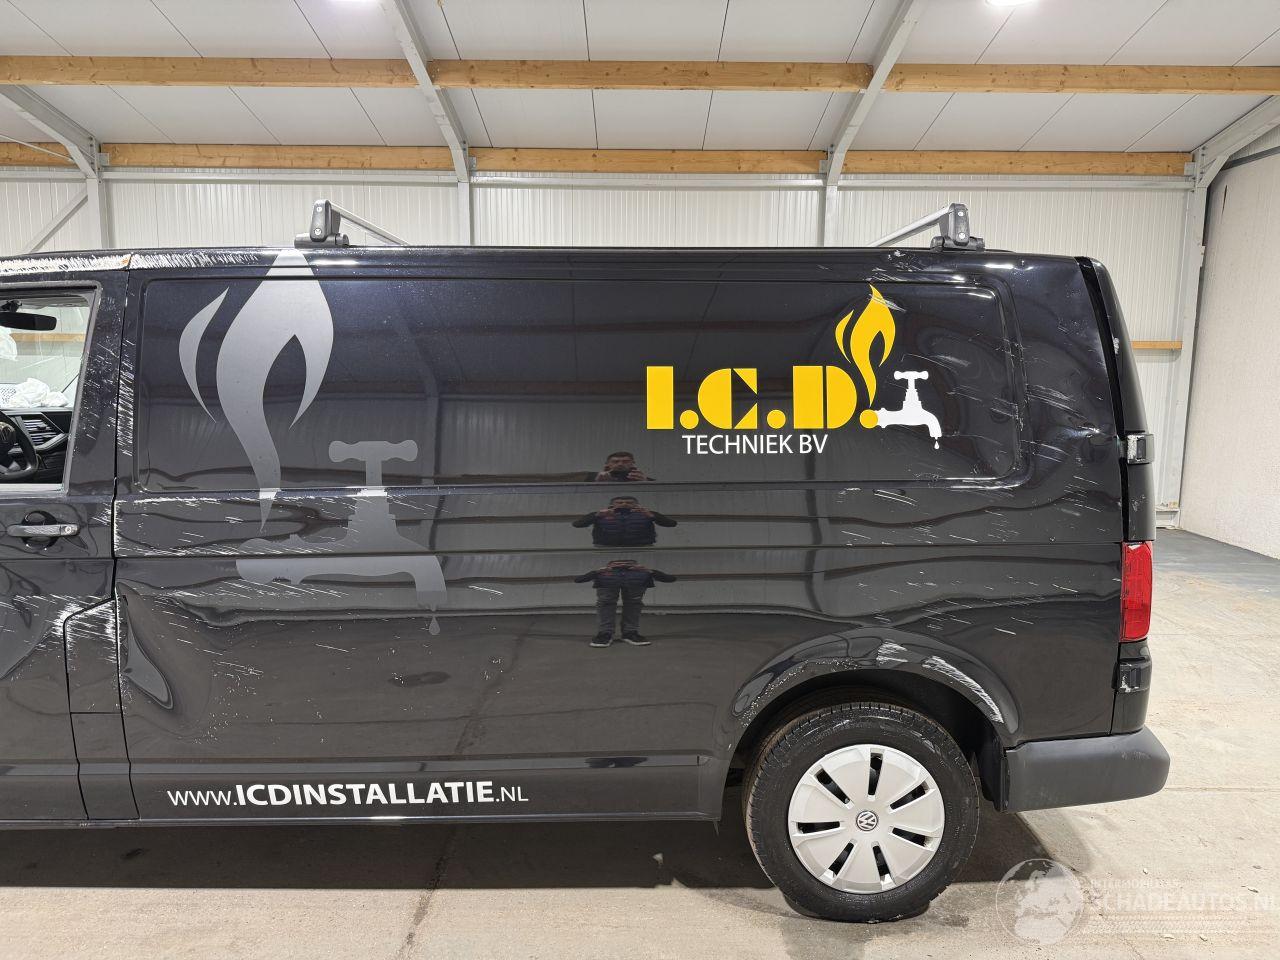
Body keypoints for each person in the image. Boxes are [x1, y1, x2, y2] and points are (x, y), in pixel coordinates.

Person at [574, 560, 677, 648]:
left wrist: (648, 571)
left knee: (629, 603)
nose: (622, 565)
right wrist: (597, 572)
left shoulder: (640, 573)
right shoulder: (605, 573)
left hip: (632, 574)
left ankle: (626, 633)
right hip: (615, 574)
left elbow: (671, 579)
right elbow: (578, 580)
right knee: (611, 603)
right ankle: (607, 633)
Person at [572, 495, 677, 547]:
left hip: (642, 548)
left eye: (629, 502)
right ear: (612, 505)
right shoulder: (600, 514)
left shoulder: (647, 513)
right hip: (605, 548)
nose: (624, 504)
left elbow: (671, 524)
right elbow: (577, 524)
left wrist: (652, 516)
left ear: (636, 505)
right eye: (620, 502)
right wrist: (596, 515)